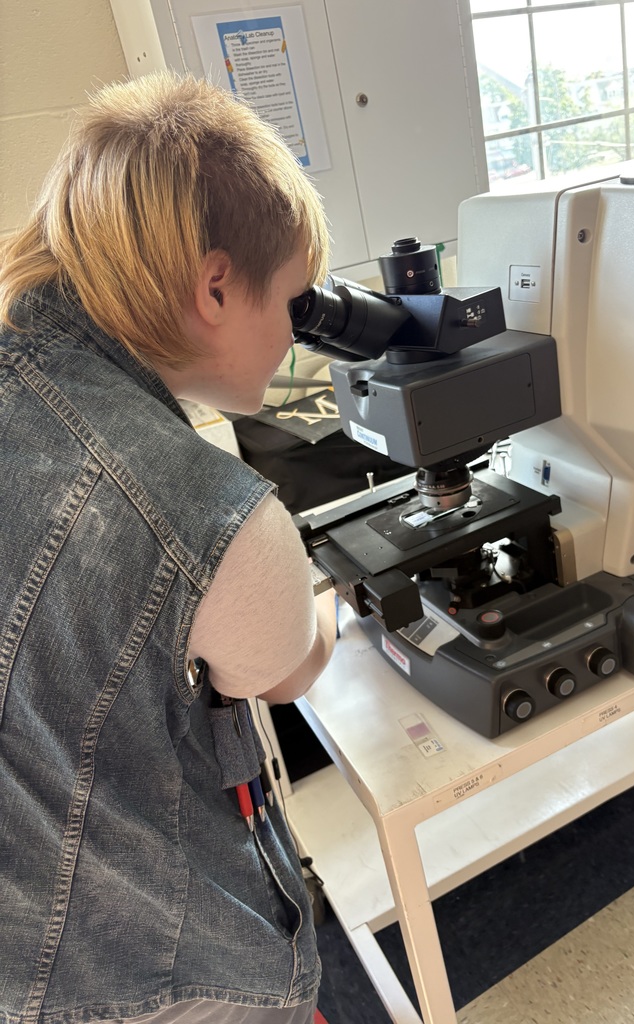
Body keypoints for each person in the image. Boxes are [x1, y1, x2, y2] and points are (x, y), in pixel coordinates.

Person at [0, 71, 337, 1024]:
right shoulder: (204, 512)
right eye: (295, 304)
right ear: (217, 284)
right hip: (148, 981)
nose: (294, 342)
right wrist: (328, 595)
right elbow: (290, 669)